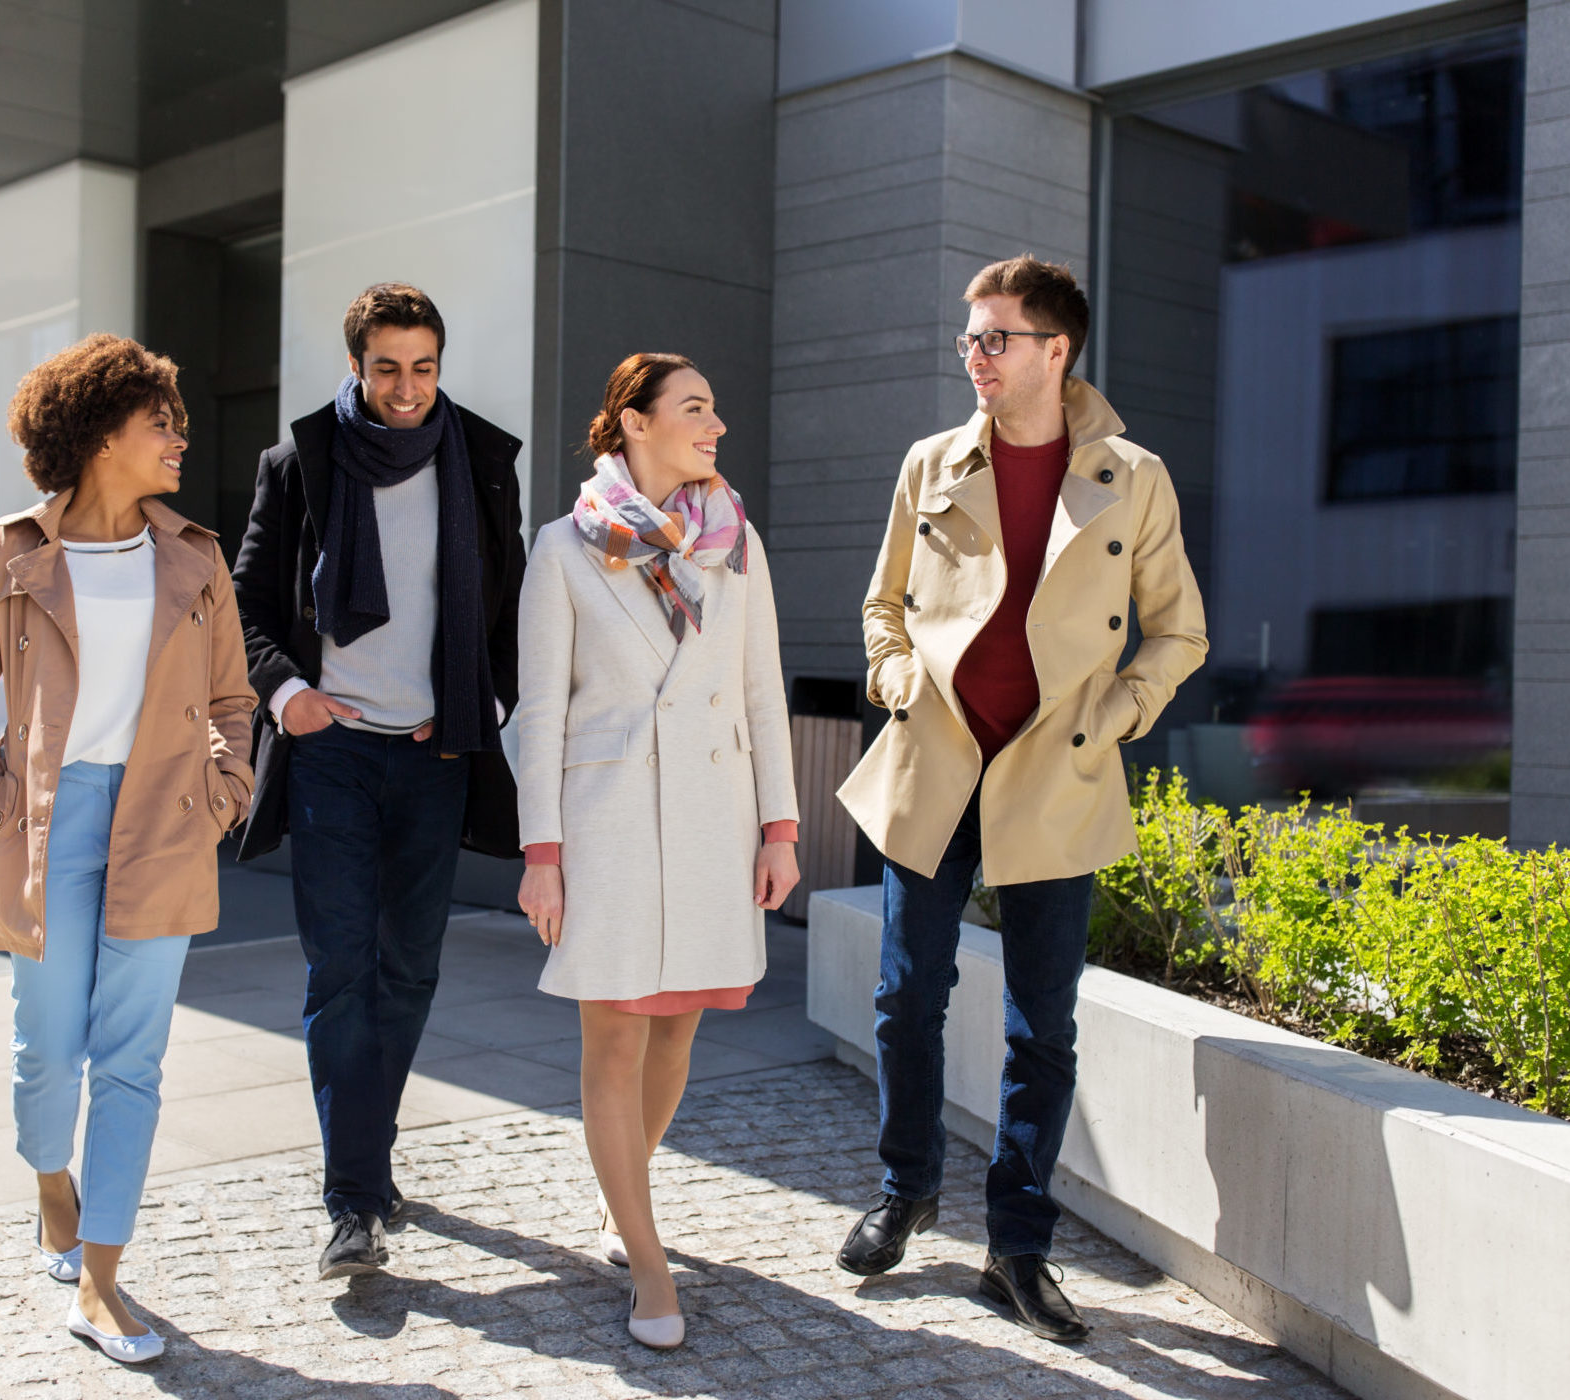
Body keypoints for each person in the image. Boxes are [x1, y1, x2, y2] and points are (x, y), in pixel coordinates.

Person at [834, 255, 1207, 1340]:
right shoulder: (931, 461)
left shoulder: (1132, 477)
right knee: (908, 997)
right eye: (970, 338)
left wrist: (1121, 712)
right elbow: (883, 605)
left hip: (1057, 768)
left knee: (1042, 1023)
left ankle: (1018, 1243)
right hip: (936, 759)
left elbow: (1178, 627)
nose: (975, 355)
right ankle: (905, 1189)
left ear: (1057, 350)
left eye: (996, 337)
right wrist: (898, 678)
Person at [0, 334, 257, 1364]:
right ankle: (48, 1182)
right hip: (45, 821)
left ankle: (105, 1281)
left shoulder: (196, 558)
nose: (178, 437)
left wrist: (222, 791)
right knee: (46, 1051)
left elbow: (231, 699)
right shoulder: (10, 552)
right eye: (159, 420)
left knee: (133, 1062)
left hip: (164, 818)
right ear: (100, 434)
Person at [231, 282, 526, 1281]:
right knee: (341, 969)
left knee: (410, 969)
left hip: (435, 750)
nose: (408, 388)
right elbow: (246, 606)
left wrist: (480, 699)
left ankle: (366, 1149)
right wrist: (289, 694)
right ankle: (353, 1197)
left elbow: (507, 613)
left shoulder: (480, 461)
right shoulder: (300, 463)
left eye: (425, 366)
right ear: (356, 364)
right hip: (334, 754)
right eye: (388, 367)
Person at [515, 353, 801, 1349]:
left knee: (678, 1029)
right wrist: (539, 852)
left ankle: (617, 1190)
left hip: (715, 819)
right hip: (608, 826)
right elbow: (541, 709)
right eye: (694, 407)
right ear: (632, 424)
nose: (715, 423)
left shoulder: (734, 540)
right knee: (615, 1035)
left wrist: (780, 826)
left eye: (715, 406)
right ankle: (646, 1257)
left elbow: (763, 689)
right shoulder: (562, 550)